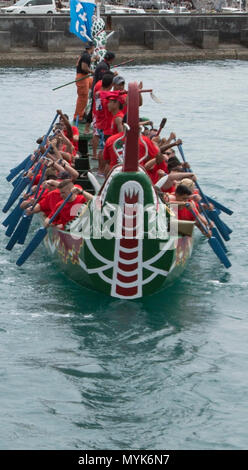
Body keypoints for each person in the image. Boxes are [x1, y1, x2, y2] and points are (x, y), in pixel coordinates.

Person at [73, 42, 95, 122]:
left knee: (94, 84)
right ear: (92, 47)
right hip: (82, 77)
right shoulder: (86, 56)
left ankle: (83, 113)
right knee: (83, 98)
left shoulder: (84, 54)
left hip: (84, 77)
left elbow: (84, 62)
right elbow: (84, 67)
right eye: (93, 48)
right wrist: (92, 72)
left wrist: (94, 59)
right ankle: (78, 116)